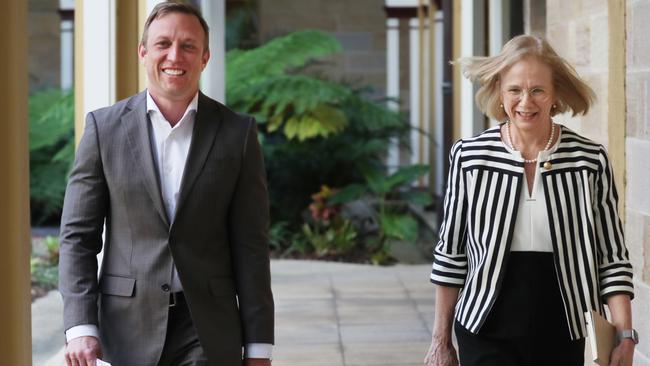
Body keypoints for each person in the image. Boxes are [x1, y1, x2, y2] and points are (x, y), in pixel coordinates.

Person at [58, 2, 274, 365]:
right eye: (163, 44)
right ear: (144, 52)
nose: (175, 55)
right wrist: (80, 326)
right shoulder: (104, 129)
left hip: (207, 327)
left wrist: (258, 346)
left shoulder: (237, 134)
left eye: (189, 46)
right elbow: (77, 236)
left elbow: (251, 245)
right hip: (128, 326)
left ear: (204, 58)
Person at [424, 35, 636, 366]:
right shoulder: (470, 156)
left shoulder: (588, 159)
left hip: (563, 327)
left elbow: (611, 257)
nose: (526, 101)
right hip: (484, 325)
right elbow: (451, 254)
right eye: (515, 90)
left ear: (555, 95)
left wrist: (625, 335)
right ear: (499, 92)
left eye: (537, 90)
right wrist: (441, 339)